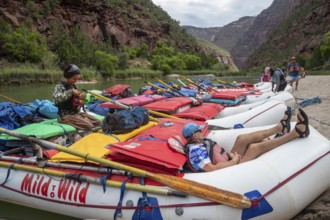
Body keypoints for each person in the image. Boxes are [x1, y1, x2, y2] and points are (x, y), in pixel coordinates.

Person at [182, 108, 309, 172]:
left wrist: (231, 155)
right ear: (194, 136)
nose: (201, 131)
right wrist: (235, 161)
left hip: (228, 160)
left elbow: (215, 154)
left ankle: (279, 128)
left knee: (242, 138)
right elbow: (212, 169)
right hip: (225, 170)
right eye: (198, 130)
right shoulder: (195, 152)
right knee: (254, 147)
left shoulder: (199, 142)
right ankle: (296, 133)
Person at [53, 64, 102, 131]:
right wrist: (70, 92)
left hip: (76, 113)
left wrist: (82, 97)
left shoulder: (74, 86)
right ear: (67, 76)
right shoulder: (59, 86)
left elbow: (78, 102)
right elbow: (55, 100)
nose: (76, 81)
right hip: (65, 116)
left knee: (99, 123)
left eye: (77, 79)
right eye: (74, 79)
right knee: (89, 126)